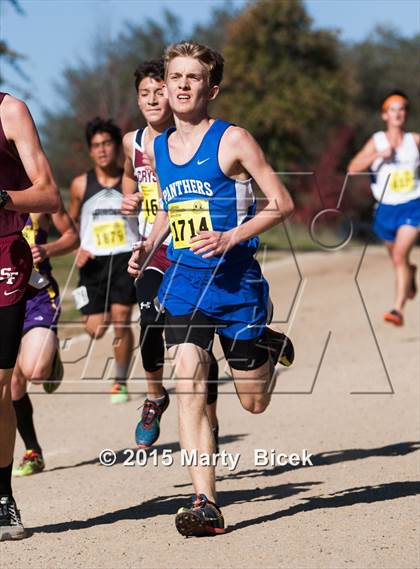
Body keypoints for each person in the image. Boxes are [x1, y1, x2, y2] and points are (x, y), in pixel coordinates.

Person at [128, 42, 295, 537]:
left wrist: (229, 236)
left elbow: (281, 202)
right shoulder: (158, 147)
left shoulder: (233, 140)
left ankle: (265, 341)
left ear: (211, 88)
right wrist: (148, 244)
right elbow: (168, 208)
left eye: (192, 78)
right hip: (184, 283)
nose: (180, 85)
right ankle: (205, 500)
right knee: (189, 378)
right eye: (174, 76)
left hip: (237, 284)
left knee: (254, 403)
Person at [122, 60, 220, 448]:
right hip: (152, 245)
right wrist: (128, 200)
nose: (152, 99)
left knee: (197, 339)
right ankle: (155, 397)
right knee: (148, 320)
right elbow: (131, 184)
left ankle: (208, 417)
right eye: (144, 94)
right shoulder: (134, 142)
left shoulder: (188, 138)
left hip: (190, 243)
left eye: (158, 92)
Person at [0, 92, 59, 540]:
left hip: (4, 258)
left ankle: (3, 499)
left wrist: (2, 196)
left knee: (1, 387)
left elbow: (49, 195)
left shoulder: (10, 112)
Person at [69, 117, 139, 403]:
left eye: (107, 143)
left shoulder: (131, 181)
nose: (102, 150)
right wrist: (77, 249)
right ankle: (99, 314)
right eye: (96, 145)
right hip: (93, 263)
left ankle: (120, 381)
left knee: (122, 321)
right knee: (95, 329)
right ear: (90, 151)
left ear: (116, 147)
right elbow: (69, 224)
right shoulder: (79, 185)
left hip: (124, 257)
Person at [12, 206, 79, 477]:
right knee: (12, 381)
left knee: (35, 370)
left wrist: (48, 250)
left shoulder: (38, 196)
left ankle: (48, 357)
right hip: (5, 297)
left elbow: (72, 236)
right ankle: (33, 452)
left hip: (37, 297)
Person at [348, 91, 420, 326]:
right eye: (392, 109)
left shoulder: (414, 141)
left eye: (402, 109)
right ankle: (410, 272)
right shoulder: (377, 140)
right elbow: (352, 169)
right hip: (386, 209)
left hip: (413, 205)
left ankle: (397, 310)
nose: (397, 113)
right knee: (399, 260)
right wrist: (378, 154)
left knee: (399, 255)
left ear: (405, 114)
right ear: (384, 115)